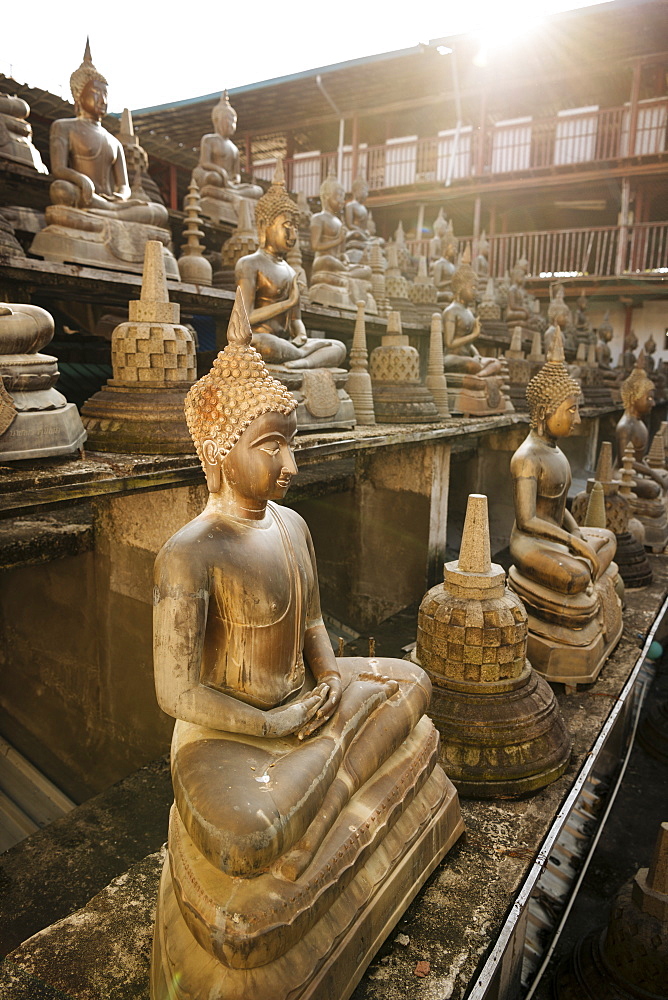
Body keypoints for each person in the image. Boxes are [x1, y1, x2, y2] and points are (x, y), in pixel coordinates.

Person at [510, 329, 616, 594]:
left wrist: (577, 533)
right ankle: (586, 577)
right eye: (571, 410)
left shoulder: (555, 452)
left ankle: (588, 574)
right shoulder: (526, 458)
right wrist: (575, 542)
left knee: (609, 538)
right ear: (545, 412)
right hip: (531, 543)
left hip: (559, 538)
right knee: (576, 576)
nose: (577, 419)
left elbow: (557, 505)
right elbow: (527, 521)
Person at [235, 162, 346, 368]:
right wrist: (288, 303)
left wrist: (302, 336)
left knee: (339, 347)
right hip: (263, 339)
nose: (293, 234)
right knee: (262, 345)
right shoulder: (249, 264)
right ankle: (304, 358)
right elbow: (244, 320)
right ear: (263, 226)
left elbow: (295, 321)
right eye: (287, 227)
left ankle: (301, 361)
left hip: (287, 343)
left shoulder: (289, 270)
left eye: (295, 228)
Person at [48, 41, 166, 226]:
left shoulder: (114, 142)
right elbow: (59, 169)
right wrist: (80, 179)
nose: (103, 100)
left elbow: (124, 185)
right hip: (84, 194)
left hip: (110, 202)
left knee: (159, 212)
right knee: (60, 190)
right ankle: (111, 215)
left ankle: (107, 214)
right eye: (96, 92)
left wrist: (120, 196)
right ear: (79, 96)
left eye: (106, 94)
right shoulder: (63, 127)